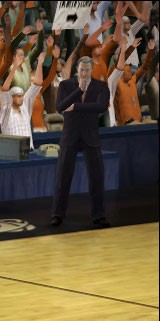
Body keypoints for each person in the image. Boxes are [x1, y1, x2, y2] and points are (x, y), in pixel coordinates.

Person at [51, 57, 111, 228]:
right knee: (63, 177)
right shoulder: (66, 85)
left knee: (97, 178)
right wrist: (79, 91)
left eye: (87, 70)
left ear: (92, 70)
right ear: (77, 69)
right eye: (81, 70)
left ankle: (99, 215)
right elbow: (60, 106)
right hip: (70, 136)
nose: (84, 73)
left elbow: (101, 106)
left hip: (90, 137)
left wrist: (76, 107)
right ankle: (57, 214)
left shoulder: (101, 86)